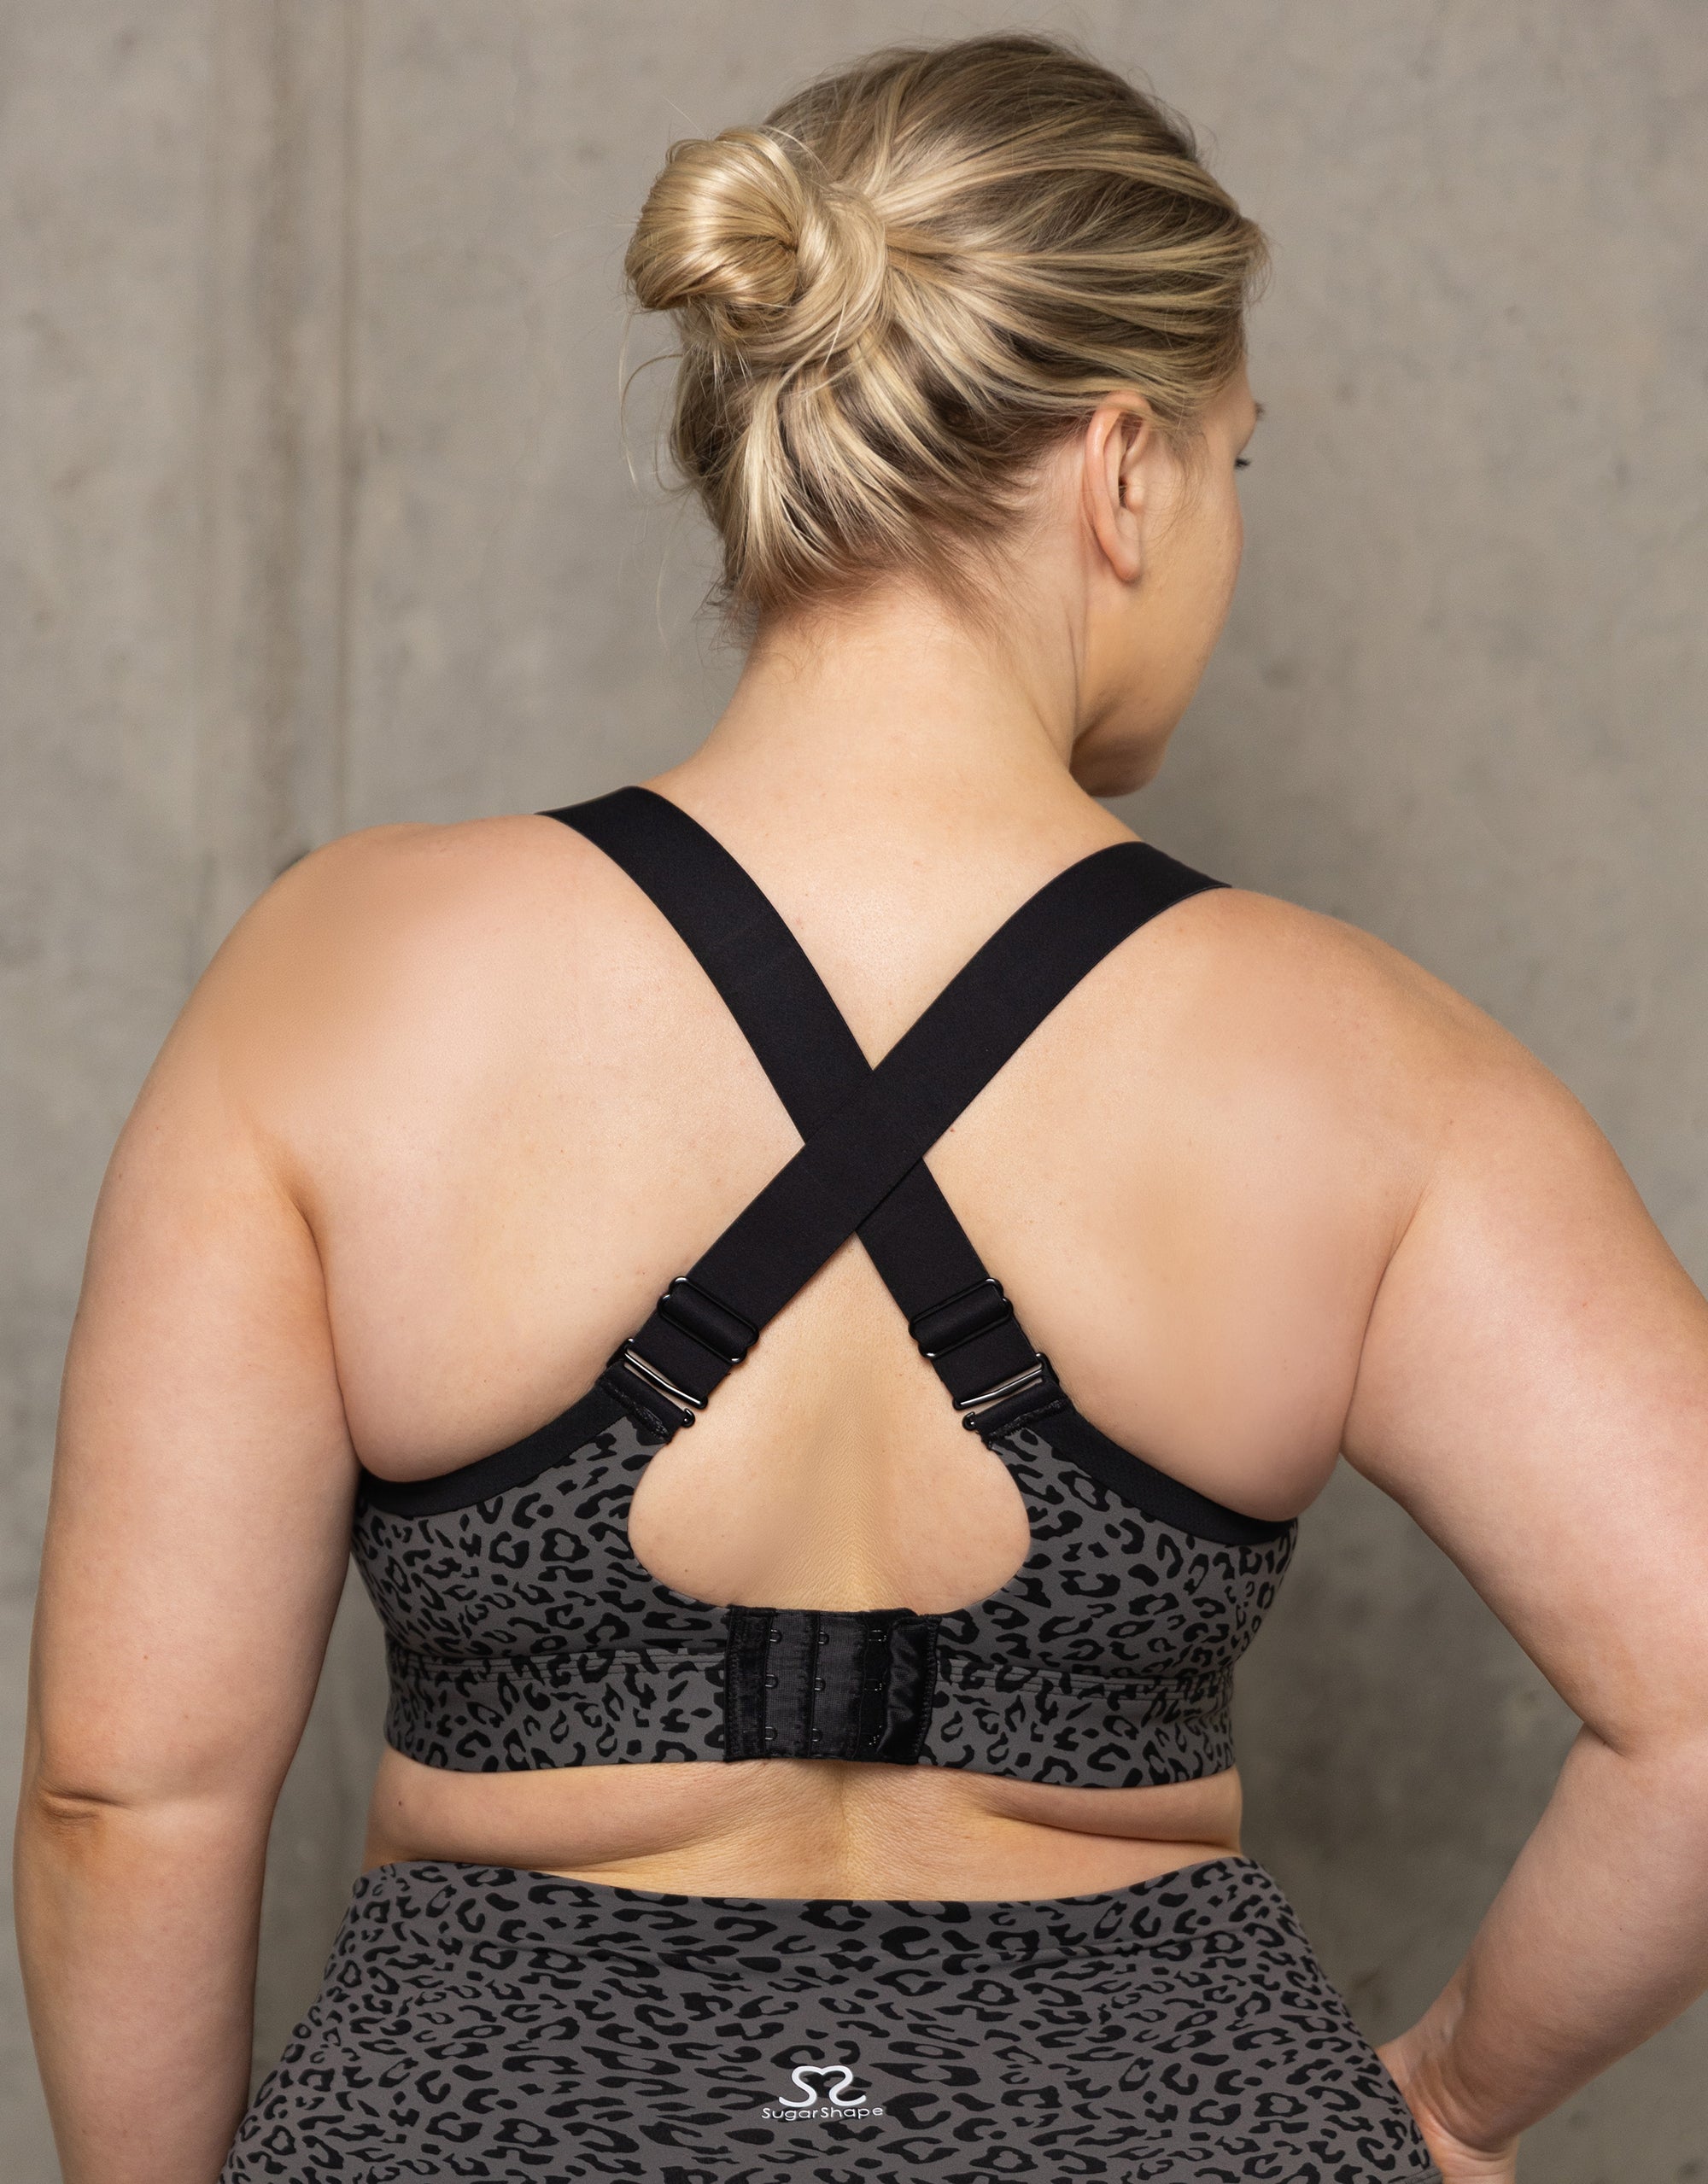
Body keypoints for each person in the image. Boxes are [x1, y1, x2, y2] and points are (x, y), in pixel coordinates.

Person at [15, 29, 1708, 2184]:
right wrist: (1452, 2100)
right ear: (1124, 473)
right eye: (1235, 462)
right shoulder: (1361, 1056)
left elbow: (124, 1793)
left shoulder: (341, 976)